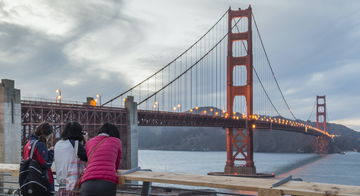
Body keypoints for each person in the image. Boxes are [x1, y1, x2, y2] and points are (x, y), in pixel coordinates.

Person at [79, 123, 122, 196]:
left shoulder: (89, 142)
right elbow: (116, 165)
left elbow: (89, 161)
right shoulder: (117, 141)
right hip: (107, 184)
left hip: (87, 183)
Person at [54, 121, 88, 196]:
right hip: (73, 189)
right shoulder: (75, 143)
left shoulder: (58, 144)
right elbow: (87, 157)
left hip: (61, 188)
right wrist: (85, 141)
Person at [23, 122, 55, 196]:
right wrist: (51, 152)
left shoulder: (28, 143)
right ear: (46, 135)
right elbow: (46, 164)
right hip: (42, 184)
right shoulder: (39, 144)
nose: (49, 138)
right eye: (49, 136)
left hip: (29, 182)